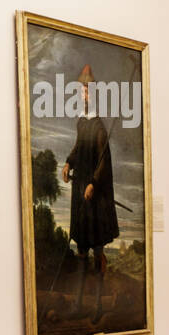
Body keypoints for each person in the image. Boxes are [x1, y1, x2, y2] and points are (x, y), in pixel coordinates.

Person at [61, 65, 119, 319]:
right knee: (81, 248)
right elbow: (77, 149)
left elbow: (104, 159)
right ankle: (78, 307)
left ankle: (96, 307)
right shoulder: (82, 123)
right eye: (81, 91)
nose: (83, 95)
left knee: (96, 250)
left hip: (94, 198)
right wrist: (68, 163)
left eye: (87, 91)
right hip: (79, 194)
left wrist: (94, 183)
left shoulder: (98, 126)